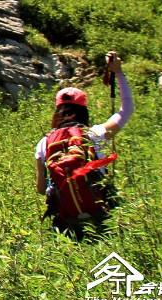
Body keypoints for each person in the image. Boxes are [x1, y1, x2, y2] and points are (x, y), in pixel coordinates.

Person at [35, 51, 133, 240]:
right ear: (84, 110)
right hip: (101, 213)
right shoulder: (94, 134)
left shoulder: (43, 143)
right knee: (113, 251)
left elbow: (40, 189)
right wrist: (118, 72)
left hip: (67, 221)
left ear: (57, 112)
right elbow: (127, 109)